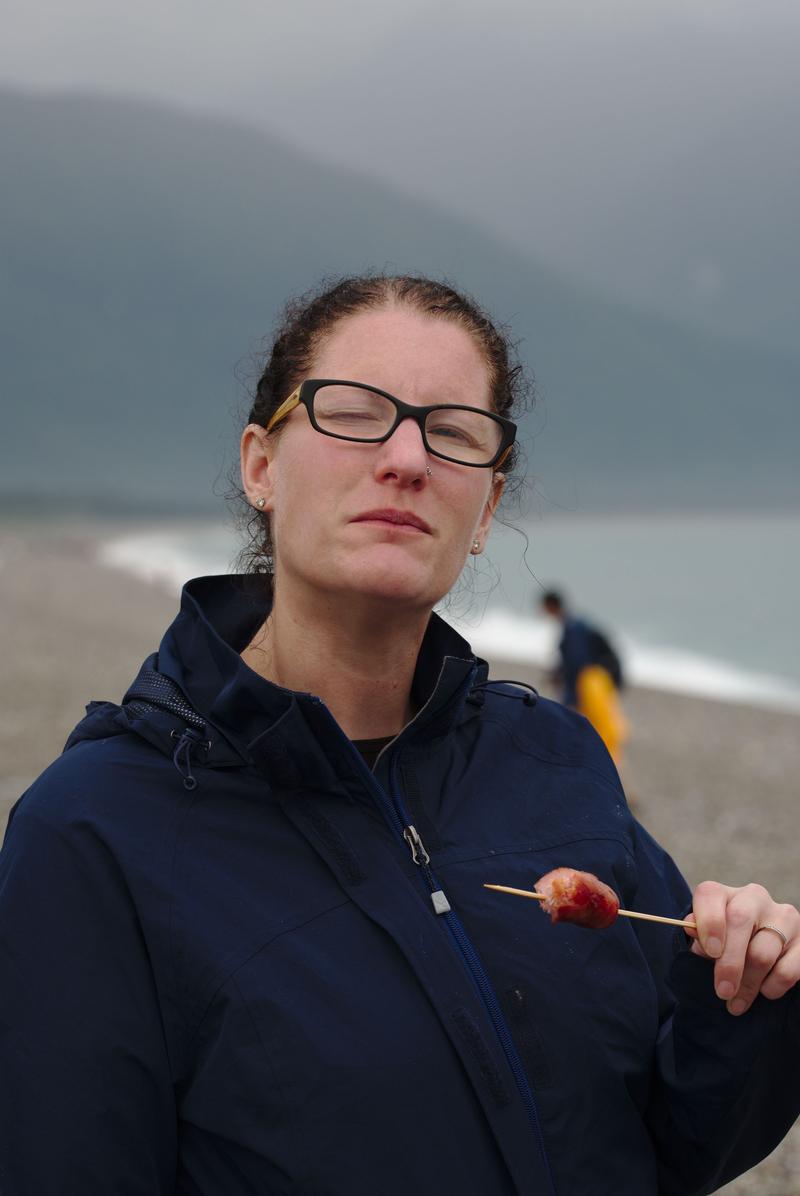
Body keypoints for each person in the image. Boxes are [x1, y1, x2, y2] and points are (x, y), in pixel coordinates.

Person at [1, 274, 798, 1196]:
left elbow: (674, 1147)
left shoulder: (559, 766)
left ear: (488, 510)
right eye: (354, 413)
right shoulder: (98, 833)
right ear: (261, 465)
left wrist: (741, 1001)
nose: (408, 458)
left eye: (454, 430)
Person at [541, 588, 629, 765]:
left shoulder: (573, 629)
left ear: (550, 606)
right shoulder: (575, 624)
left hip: (593, 681)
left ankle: (608, 768)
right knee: (600, 726)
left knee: (600, 728)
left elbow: (577, 662)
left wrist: (569, 696)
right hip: (599, 679)